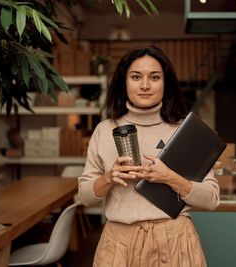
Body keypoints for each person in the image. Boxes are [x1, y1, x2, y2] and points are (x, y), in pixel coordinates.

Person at [78, 46, 220, 267]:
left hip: (176, 242)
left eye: (154, 77)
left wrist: (170, 177)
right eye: (136, 77)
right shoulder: (105, 130)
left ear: (166, 83)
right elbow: (85, 198)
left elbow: (211, 199)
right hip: (118, 245)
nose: (145, 85)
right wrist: (109, 177)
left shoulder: (185, 130)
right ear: (124, 82)